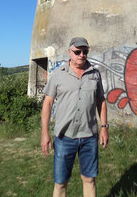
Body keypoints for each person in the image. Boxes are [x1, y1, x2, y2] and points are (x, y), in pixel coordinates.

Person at [41, 37, 109, 197]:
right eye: (77, 51)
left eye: (85, 51)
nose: (81, 55)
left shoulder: (95, 74)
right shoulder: (58, 74)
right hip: (65, 137)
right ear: (69, 52)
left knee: (89, 180)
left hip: (89, 137)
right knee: (60, 183)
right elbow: (48, 103)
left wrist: (104, 127)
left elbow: (101, 101)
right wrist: (45, 133)